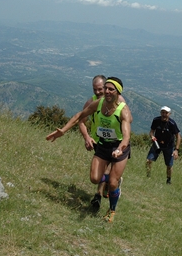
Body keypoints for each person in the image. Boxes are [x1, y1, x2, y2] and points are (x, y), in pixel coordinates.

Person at [46, 77, 132, 223]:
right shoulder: (98, 103)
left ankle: (112, 210)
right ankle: (114, 181)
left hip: (118, 147)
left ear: (118, 92)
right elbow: (79, 116)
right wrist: (63, 131)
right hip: (103, 145)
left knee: (112, 183)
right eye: (106, 88)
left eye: (111, 89)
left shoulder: (123, 110)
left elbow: (126, 137)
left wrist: (120, 149)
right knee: (94, 179)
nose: (107, 91)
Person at [78, 75, 126, 210]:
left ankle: (99, 195)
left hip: (116, 143)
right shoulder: (91, 103)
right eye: (95, 90)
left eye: (100, 89)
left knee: (109, 169)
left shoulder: (119, 101)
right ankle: (112, 183)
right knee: (97, 175)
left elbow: (126, 121)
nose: (98, 92)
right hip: (98, 141)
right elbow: (81, 121)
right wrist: (87, 137)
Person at [146, 106, 181, 184]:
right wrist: (152, 136)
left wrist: (176, 150)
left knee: (169, 165)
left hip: (169, 146)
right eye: (163, 112)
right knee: (149, 160)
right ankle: (148, 176)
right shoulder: (156, 120)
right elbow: (151, 131)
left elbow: (178, 136)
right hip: (157, 144)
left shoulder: (172, 123)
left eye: (166, 113)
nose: (164, 114)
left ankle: (168, 180)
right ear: (160, 113)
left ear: (169, 114)